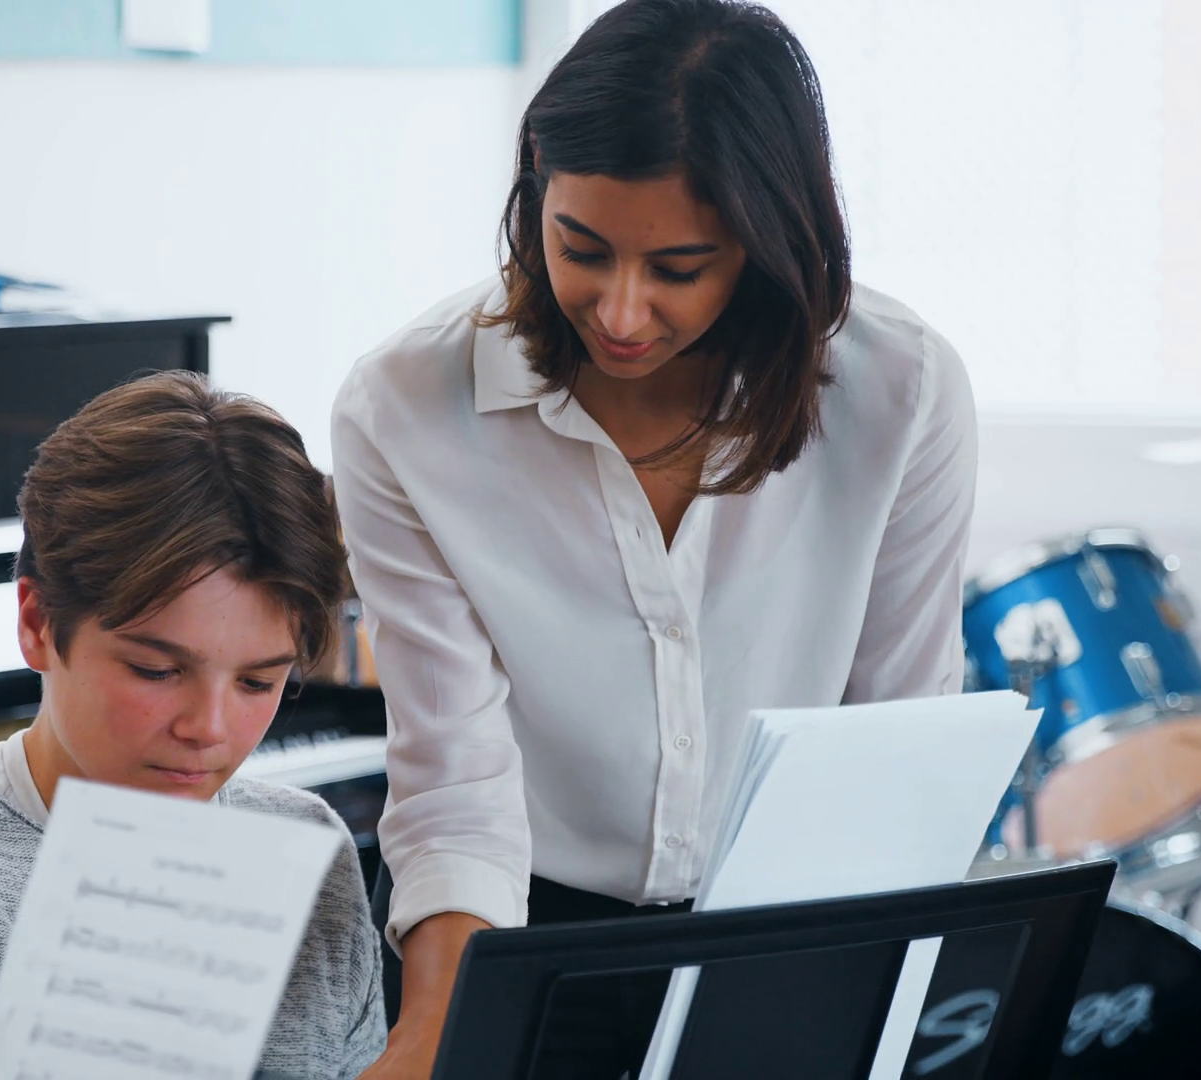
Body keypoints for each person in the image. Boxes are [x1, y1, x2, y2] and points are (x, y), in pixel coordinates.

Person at [331, 1, 978, 1076]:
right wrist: (434, 1029)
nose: (621, 314)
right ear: (535, 180)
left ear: (770, 240)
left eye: (679, 268)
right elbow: (454, 774)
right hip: (514, 933)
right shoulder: (405, 405)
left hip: (792, 929)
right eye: (580, 248)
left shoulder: (900, 390)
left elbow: (897, 737)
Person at [0, 372, 386, 1080]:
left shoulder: (308, 847)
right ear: (36, 623)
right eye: (156, 671)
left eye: (258, 681)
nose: (210, 729)